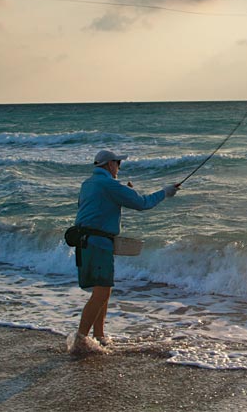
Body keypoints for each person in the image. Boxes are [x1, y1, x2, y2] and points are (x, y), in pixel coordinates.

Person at [69, 149, 179, 354]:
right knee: (101, 292)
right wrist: (165, 192)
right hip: (98, 243)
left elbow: (95, 206)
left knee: (102, 291)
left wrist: (120, 191)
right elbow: (142, 203)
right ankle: (80, 340)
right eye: (118, 163)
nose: (119, 167)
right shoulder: (108, 184)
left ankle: (99, 337)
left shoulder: (88, 184)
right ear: (109, 164)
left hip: (85, 242)